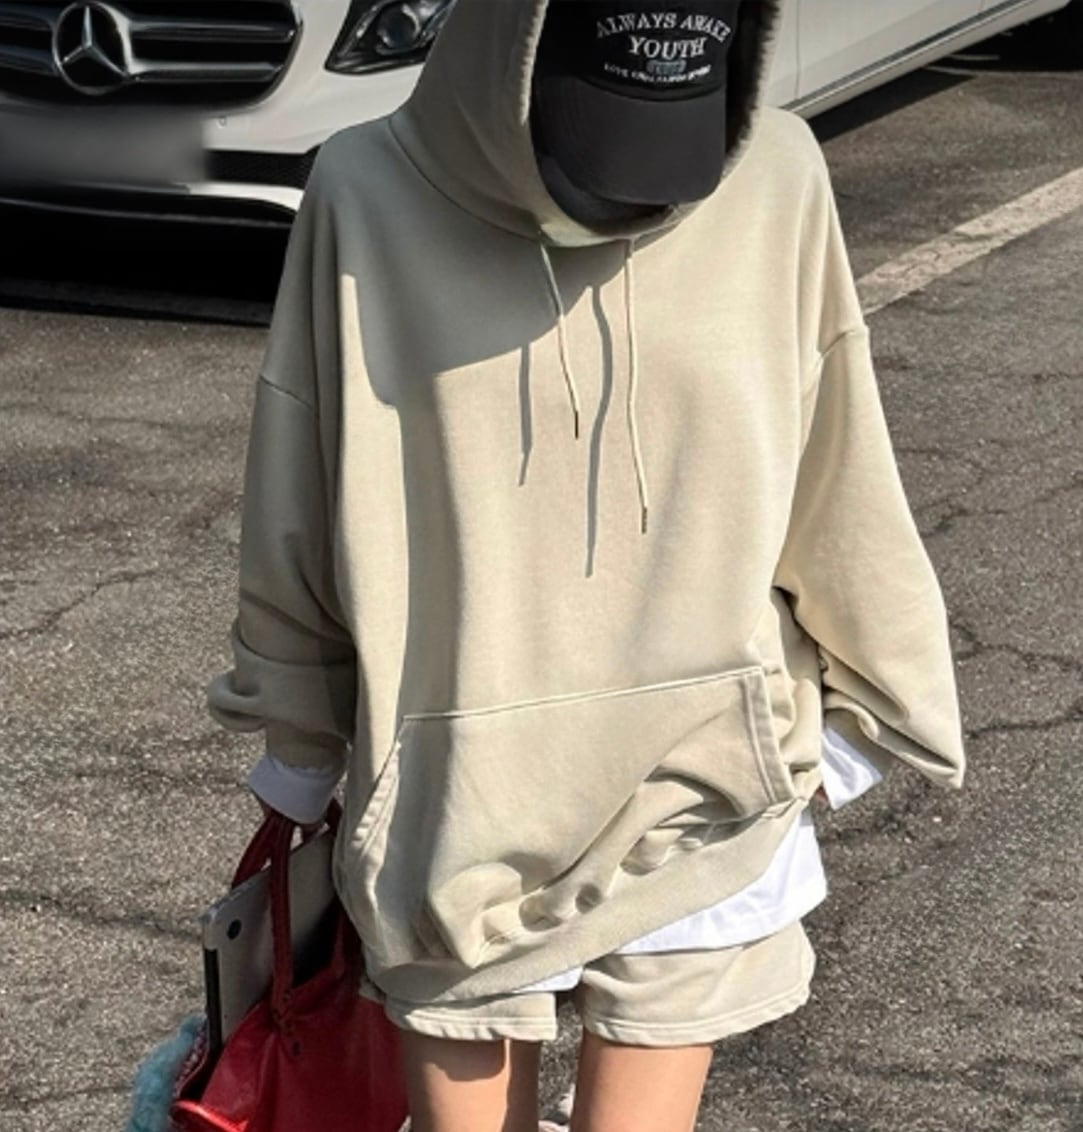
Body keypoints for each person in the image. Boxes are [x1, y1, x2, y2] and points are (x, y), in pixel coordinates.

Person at [207, 1, 967, 1129]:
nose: (640, 190)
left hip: (704, 784)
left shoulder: (775, 175)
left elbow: (833, 454)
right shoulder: (367, 190)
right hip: (456, 798)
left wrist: (870, 710)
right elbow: (302, 479)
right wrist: (299, 736)